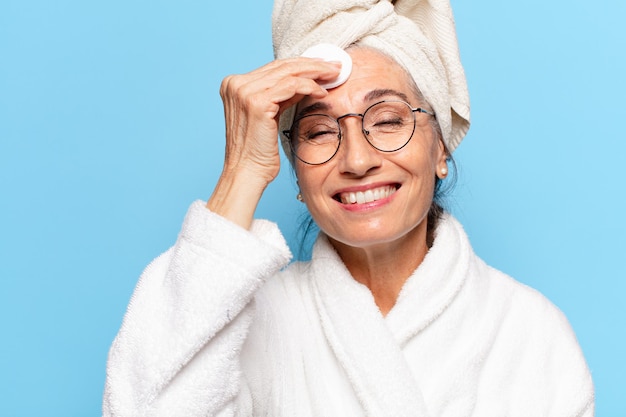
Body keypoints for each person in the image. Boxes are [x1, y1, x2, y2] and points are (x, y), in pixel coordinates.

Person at [103, 0, 594, 416]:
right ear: (294, 170)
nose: (357, 160)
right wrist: (242, 172)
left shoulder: (530, 332)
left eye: (386, 121)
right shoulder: (244, 324)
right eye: (319, 131)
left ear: (440, 148)